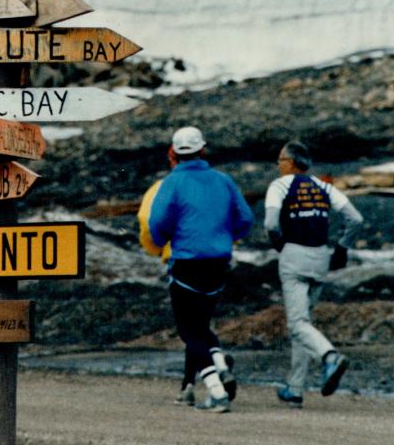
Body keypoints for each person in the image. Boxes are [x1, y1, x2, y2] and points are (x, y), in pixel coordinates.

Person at [146, 125, 254, 413]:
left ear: (174, 152)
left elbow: (156, 223)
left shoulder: (172, 183)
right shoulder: (224, 181)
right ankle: (219, 364)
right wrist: (224, 237)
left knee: (189, 330)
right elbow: (245, 217)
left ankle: (216, 391)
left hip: (186, 262)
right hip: (218, 262)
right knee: (201, 325)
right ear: (202, 149)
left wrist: (161, 243)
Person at [265, 140, 363, 408]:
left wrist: (280, 245)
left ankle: (329, 356)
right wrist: (342, 247)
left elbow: (271, 224)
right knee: (304, 323)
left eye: (280, 160)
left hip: (294, 255)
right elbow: (356, 219)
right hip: (321, 257)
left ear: (291, 162)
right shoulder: (323, 186)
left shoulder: (280, 186)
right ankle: (295, 388)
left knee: (297, 323)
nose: (278, 165)